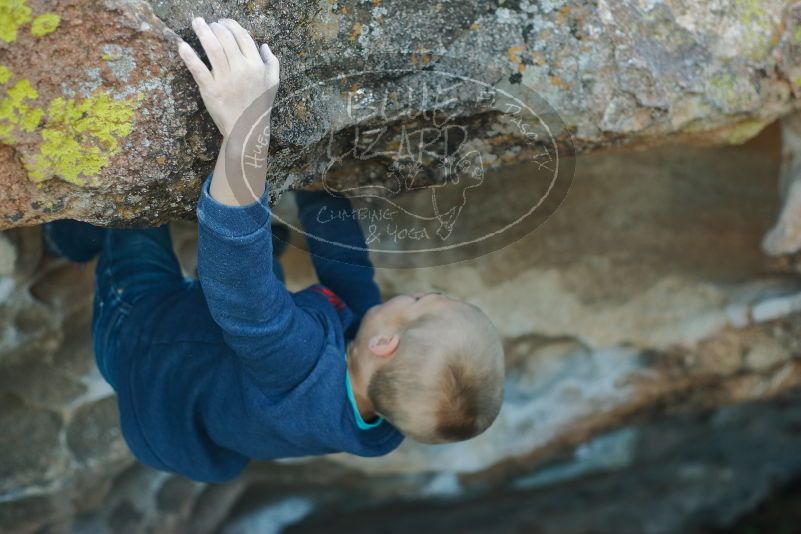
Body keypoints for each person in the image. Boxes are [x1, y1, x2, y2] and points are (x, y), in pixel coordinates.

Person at [42, 17, 505, 482]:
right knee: (275, 242)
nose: (412, 294)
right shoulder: (383, 395)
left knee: (133, 221)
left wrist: (248, 129)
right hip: (223, 372)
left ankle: (67, 239)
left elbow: (238, 284)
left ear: (385, 345)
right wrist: (318, 177)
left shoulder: (295, 363)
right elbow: (349, 274)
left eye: (422, 299)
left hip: (144, 338)